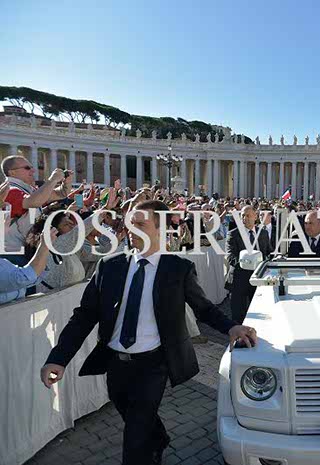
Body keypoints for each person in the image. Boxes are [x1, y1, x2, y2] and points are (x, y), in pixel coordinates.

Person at [39, 200, 257, 465]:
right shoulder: (109, 266)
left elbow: (204, 309)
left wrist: (231, 327)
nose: (132, 229)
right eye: (130, 223)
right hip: (115, 365)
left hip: (154, 366)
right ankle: (159, 438)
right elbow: (84, 317)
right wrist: (58, 358)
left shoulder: (178, 268)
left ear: (160, 228)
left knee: (135, 438)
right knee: (134, 417)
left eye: (140, 224)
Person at [225, 205, 273, 323]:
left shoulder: (263, 233)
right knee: (238, 316)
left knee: (259, 313)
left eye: (248, 215)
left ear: (255, 217)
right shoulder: (233, 234)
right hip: (238, 279)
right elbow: (230, 256)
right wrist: (248, 263)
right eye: (242, 216)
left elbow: (268, 252)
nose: (244, 218)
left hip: (258, 278)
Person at [1, 156, 72, 219]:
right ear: (12, 173)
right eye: (27, 168)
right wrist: (52, 180)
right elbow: (33, 202)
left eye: (32, 167)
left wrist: (66, 182)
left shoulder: (27, 190)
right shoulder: (9, 190)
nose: (33, 171)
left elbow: (60, 194)